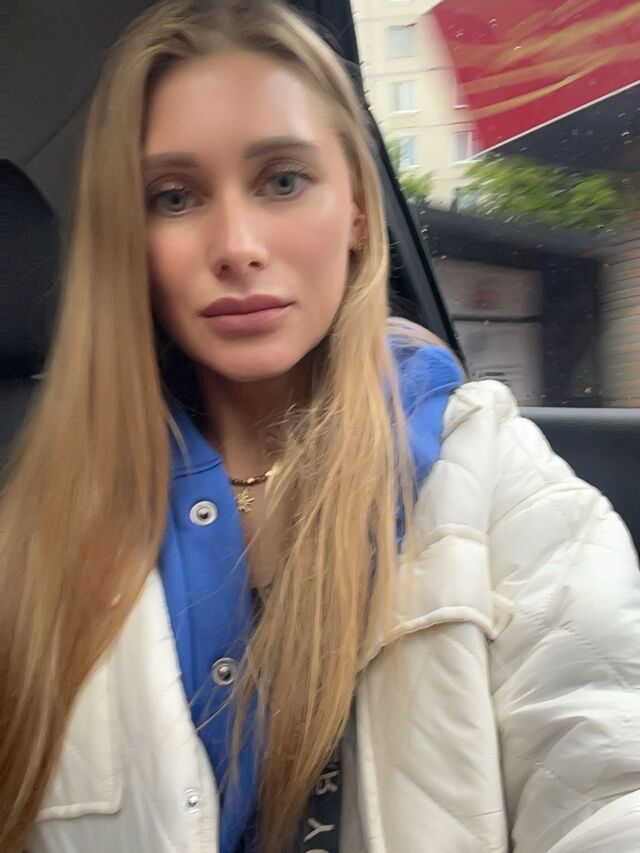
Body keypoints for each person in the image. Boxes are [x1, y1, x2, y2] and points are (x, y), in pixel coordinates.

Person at [1, 1, 639, 851]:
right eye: (175, 196)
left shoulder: (491, 474)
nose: (237, 245)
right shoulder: (40, 527)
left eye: (283, 181)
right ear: (130, 241)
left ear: (360, 210)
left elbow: (606, 772)